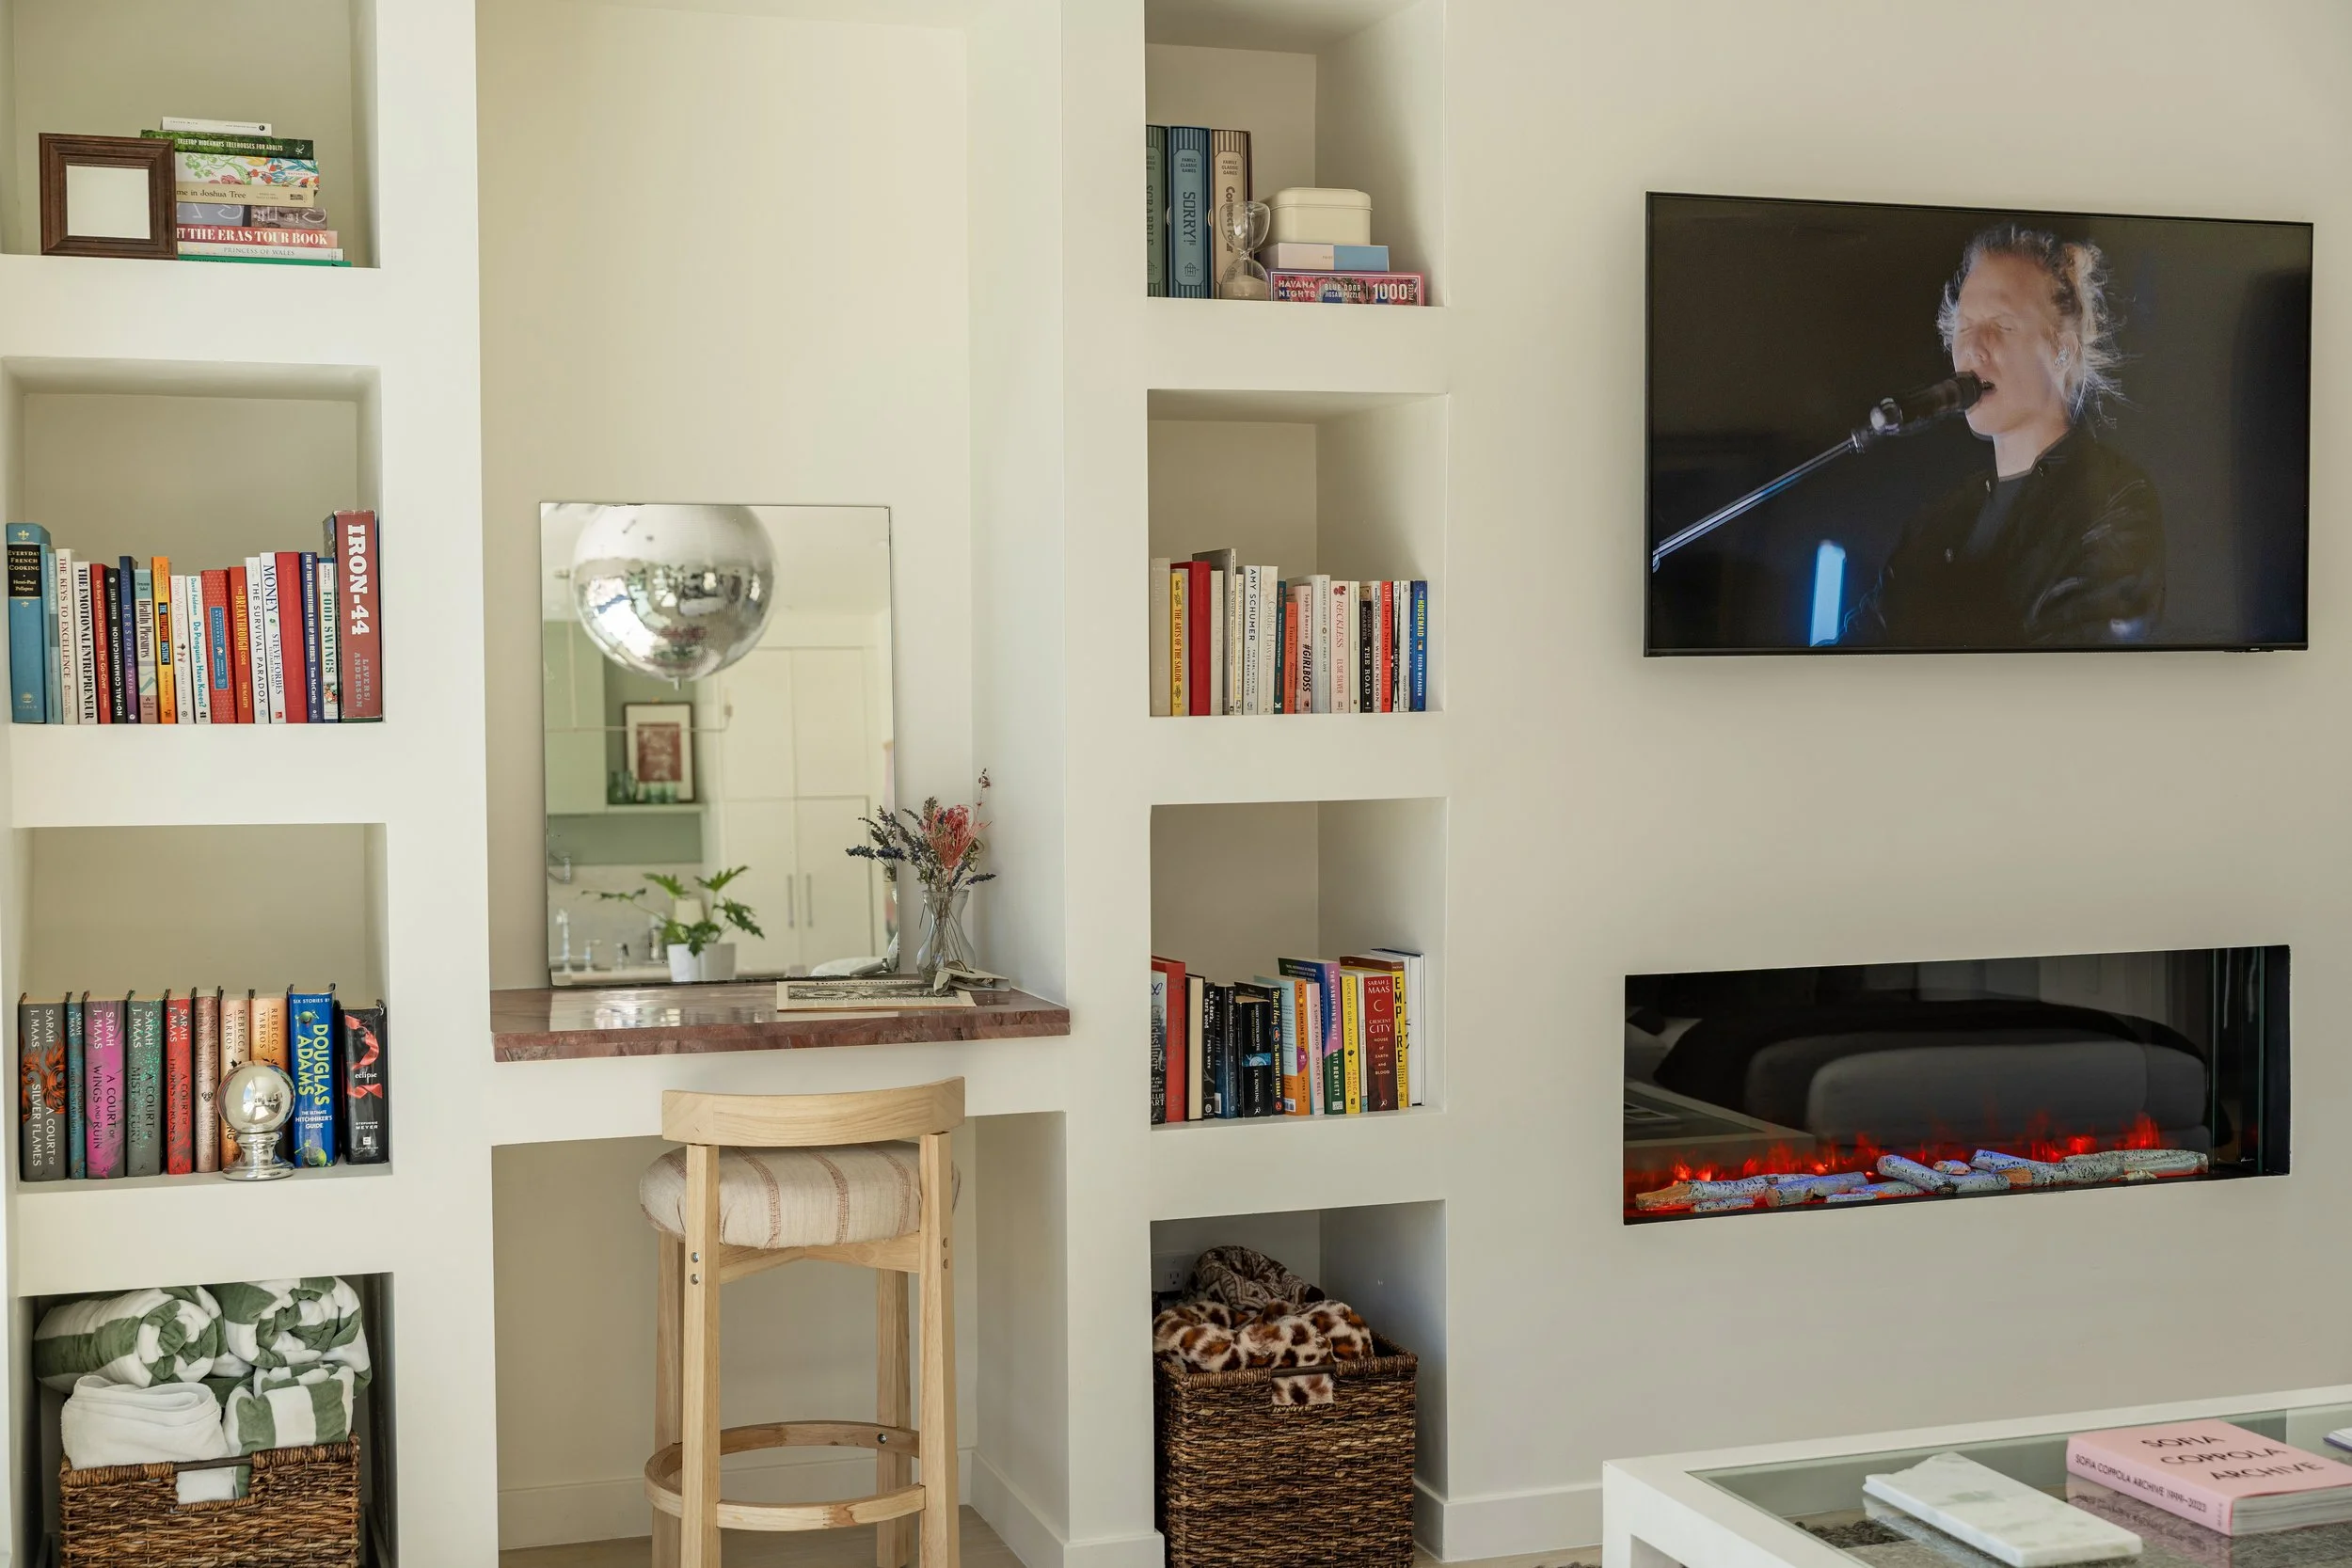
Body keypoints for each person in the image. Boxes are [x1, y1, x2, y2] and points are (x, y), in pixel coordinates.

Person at [1843, 224, 2164, 647]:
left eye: (2002, 325)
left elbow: (2080, 670)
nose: (1973, 348)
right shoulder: (1937, 522)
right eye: (1964, 327)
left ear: (2062, 349)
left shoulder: (2115, 499)